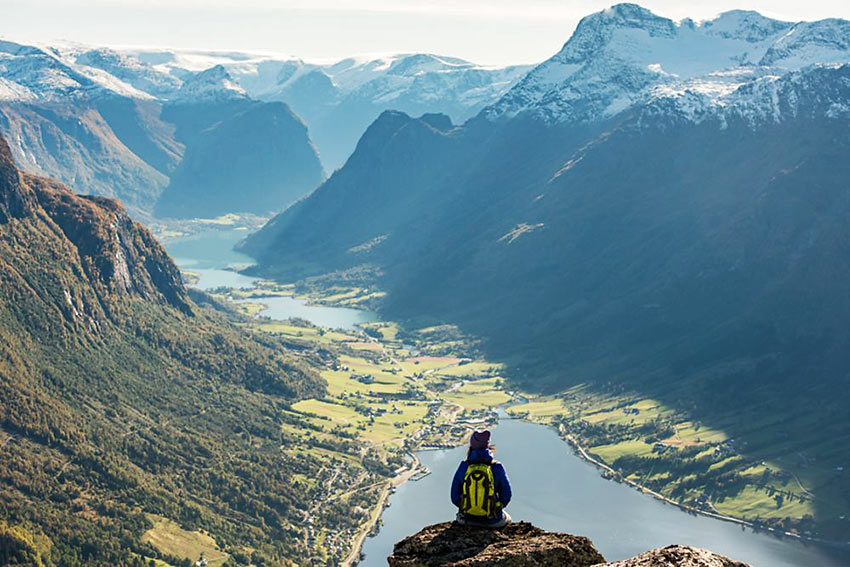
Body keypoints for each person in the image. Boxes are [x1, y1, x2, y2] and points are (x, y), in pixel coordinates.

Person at [450, 429, 512, 528]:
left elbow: (454, 497)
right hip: (493, 521)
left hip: (466, 519)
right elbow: (506, 495)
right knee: (507, 517)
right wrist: (495, 508)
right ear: (488, 446)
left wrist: (467, 507)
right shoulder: (497, 467)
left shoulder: (464, 466)